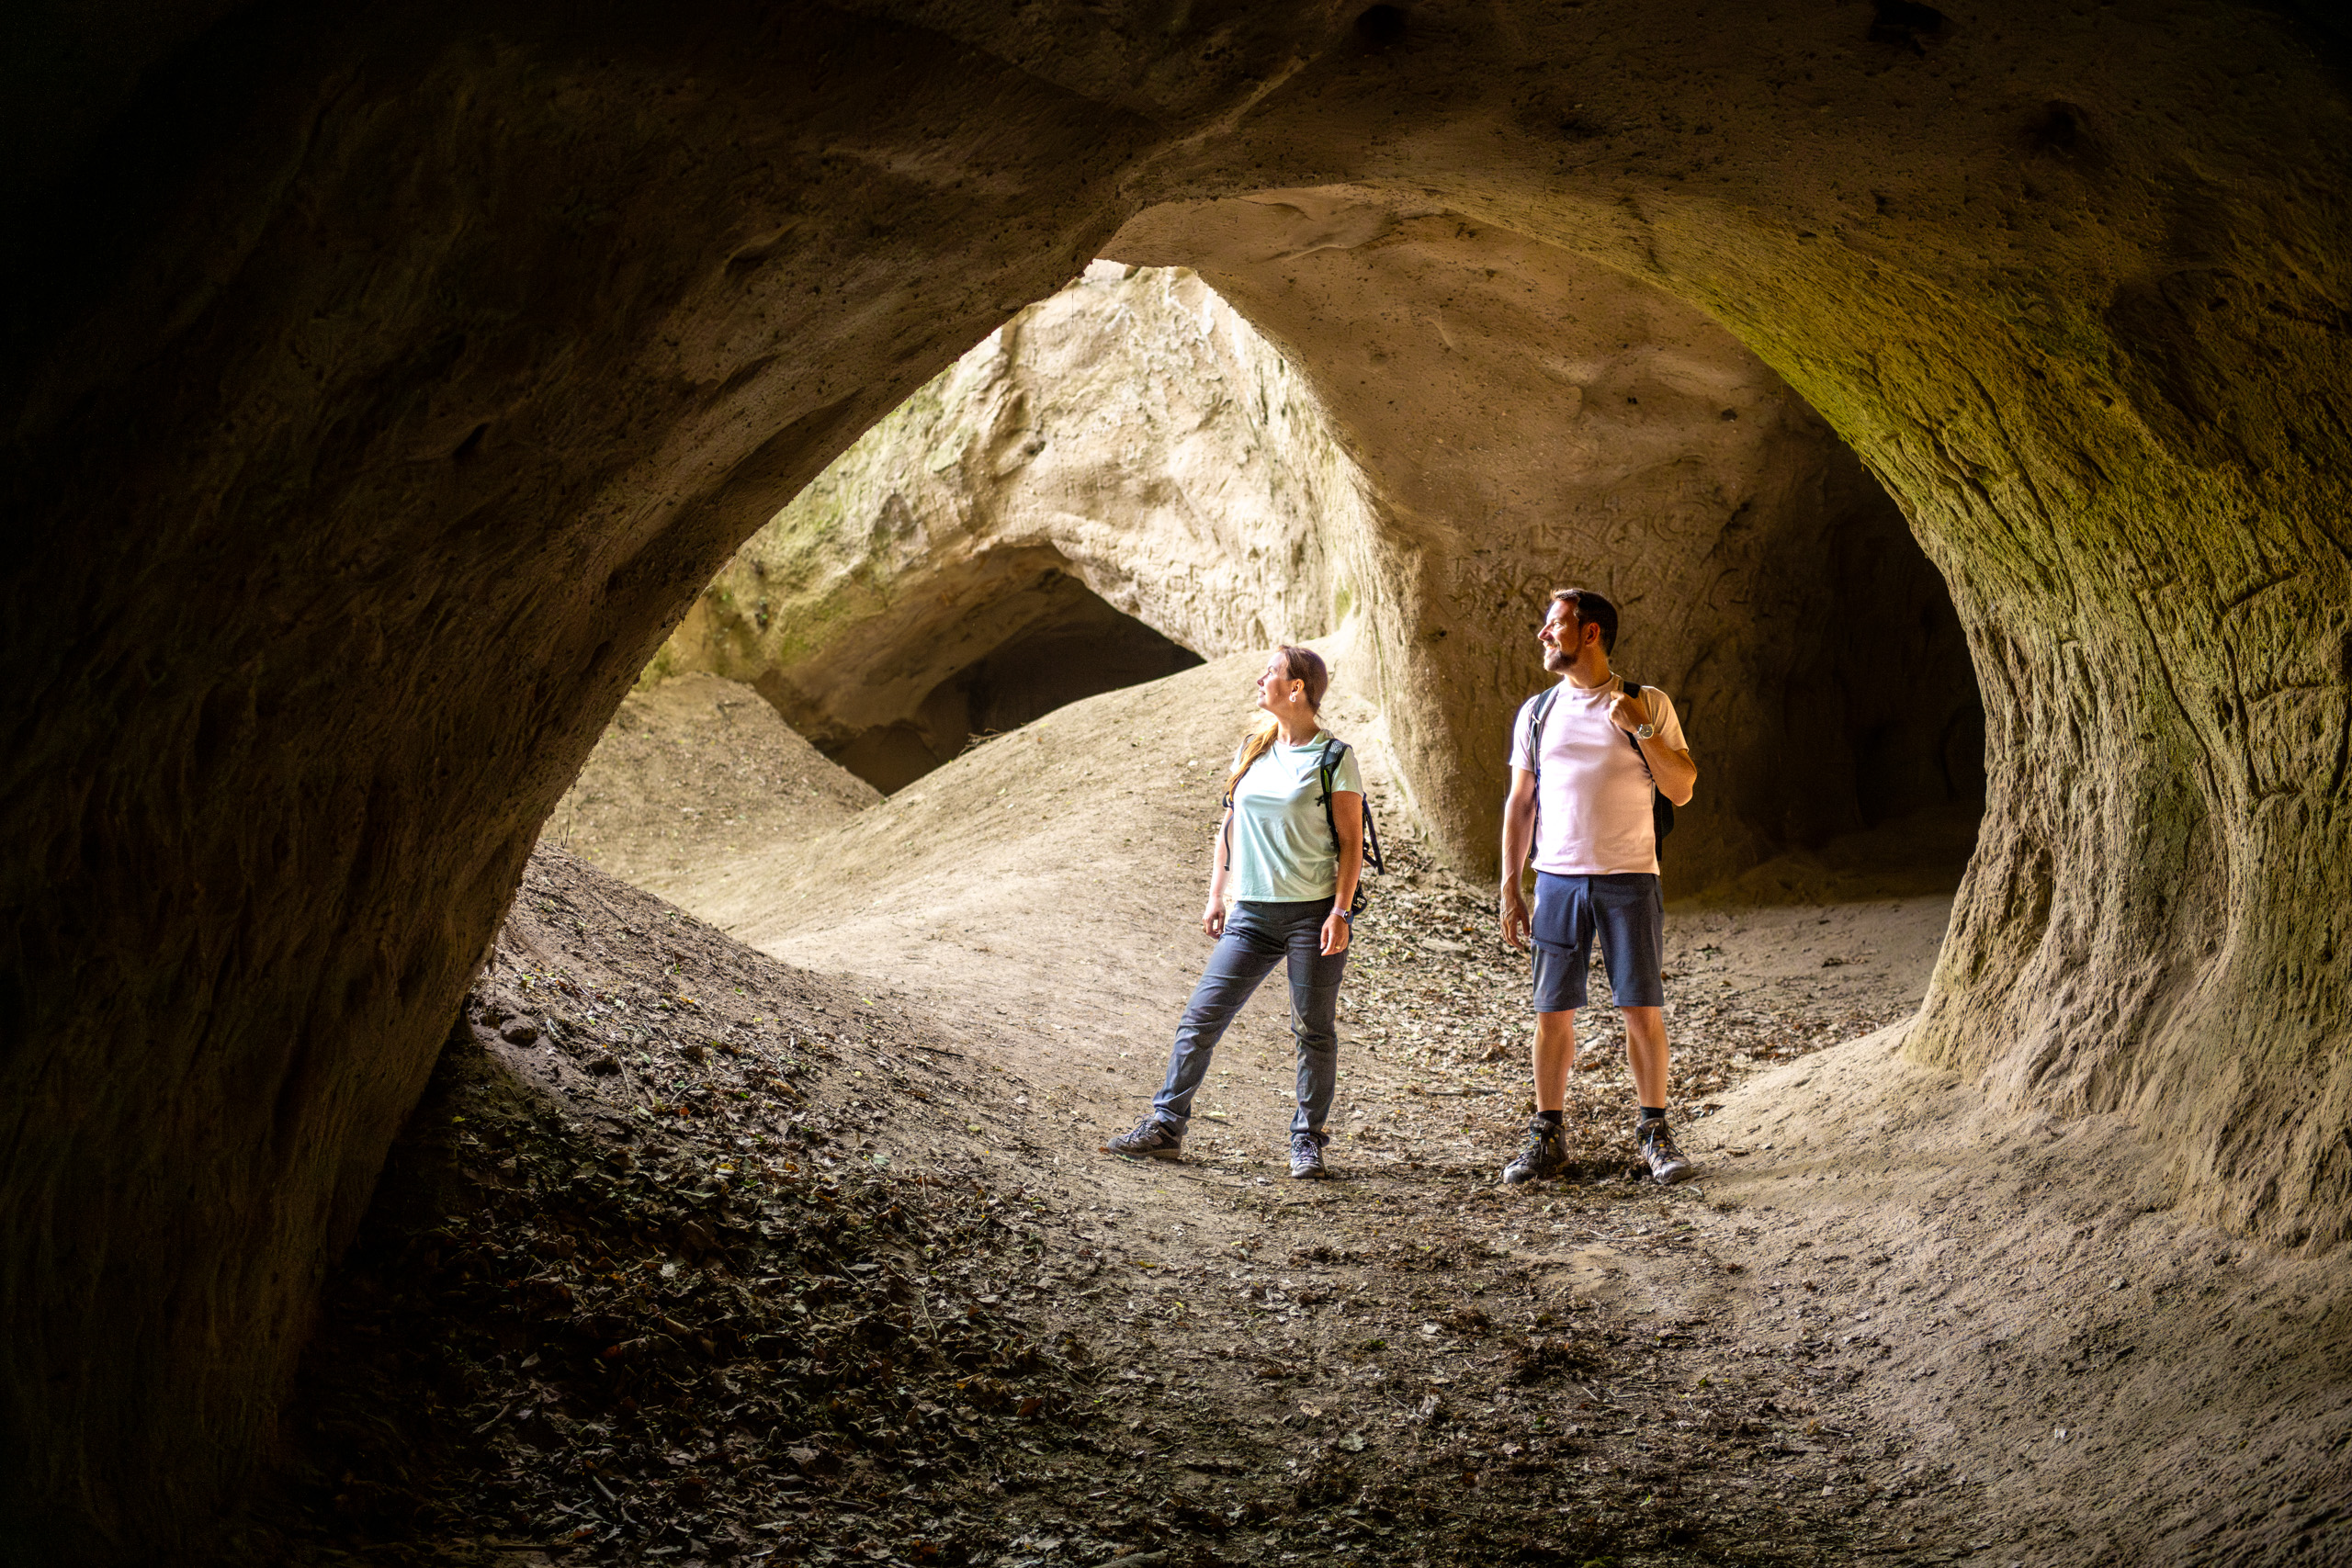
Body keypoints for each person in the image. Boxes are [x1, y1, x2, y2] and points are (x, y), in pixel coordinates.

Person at [1103, 646, 1365, 1179]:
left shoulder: (1335, 758)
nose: (1259, 678)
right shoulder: (1252, 749)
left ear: (1296, 689)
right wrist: (1216, 894)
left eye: (1270, 672)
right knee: (1201, 1017)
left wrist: (1339, 912)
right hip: (1251, 914)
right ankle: (1165, 1126)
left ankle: (1307, 1140)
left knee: (1312, 1030)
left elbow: (1352, 842)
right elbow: (1227, 828)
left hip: (1311, 916)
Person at [1497, 589, 1701, 1186]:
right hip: (1557, 880)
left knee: (1641, 1009)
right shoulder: (1537, 713)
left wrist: (1641, 732)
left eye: (1554, 624)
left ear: (1589, 634)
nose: (1542, 634)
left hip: (1632, 878)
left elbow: (1683, 786)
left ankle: (1655, 1132)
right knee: (1551, 1011)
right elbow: (1520, 803)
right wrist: (1512, 886)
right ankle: (1547, 1135)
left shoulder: (1647, 702)